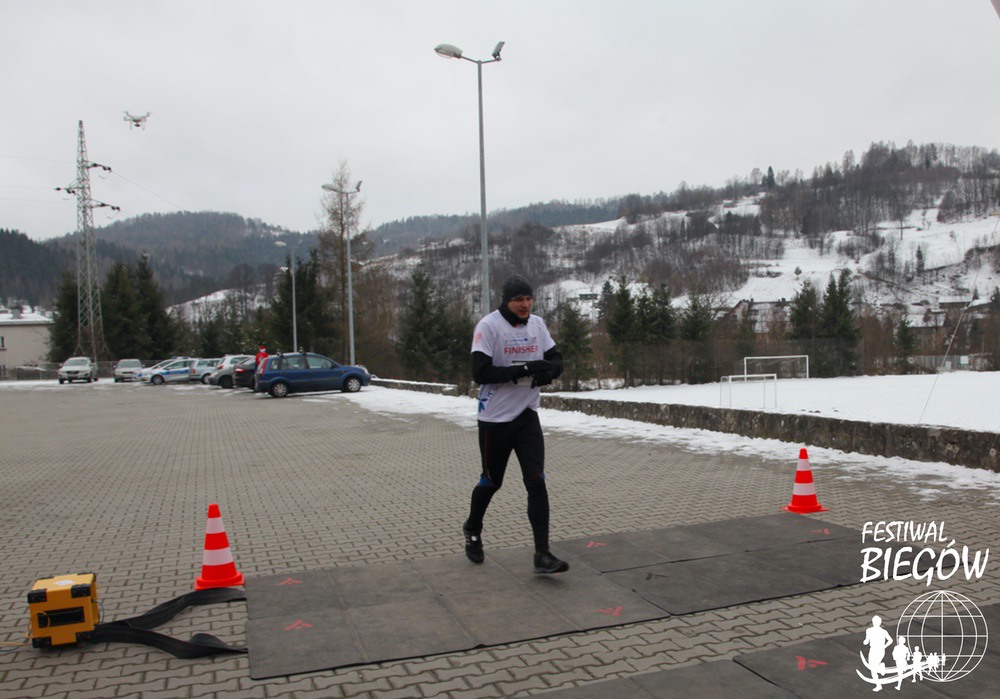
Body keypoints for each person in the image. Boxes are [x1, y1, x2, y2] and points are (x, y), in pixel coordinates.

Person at [463, 274, 568, 574]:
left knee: (536, 482)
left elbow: (556, 359)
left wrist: (549, 371)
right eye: (519, 299)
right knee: (491, 481)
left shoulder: (537, 325)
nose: (525, 305)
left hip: (526, 415)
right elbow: (480, 373)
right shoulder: (489, 326)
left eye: (528, 298)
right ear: (506, 301)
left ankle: (542, 554)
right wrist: (523, 369)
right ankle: (472, 529)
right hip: (495, 419)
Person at [863, 615, 894, 691]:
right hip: (873, 650)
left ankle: (880, 669)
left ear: (880, 622)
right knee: (872, 668)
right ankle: (880, 669)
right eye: (874, 621)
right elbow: (867, 641)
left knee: (873, 668)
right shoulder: (870, 630)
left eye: (877, 621)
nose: (875, 623)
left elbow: (890, 640)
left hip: (879, 650)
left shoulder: (882, 631)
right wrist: (865, 642)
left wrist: (884, 646)